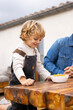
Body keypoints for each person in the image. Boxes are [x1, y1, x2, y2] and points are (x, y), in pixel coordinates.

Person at [7, 20, 51, 110]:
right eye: (36, 39)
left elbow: (39, 66)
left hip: (31, 85)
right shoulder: (20, 51)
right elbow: (17, 67)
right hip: (18, 86)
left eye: (40, 39)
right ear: (25, 36)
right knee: (18, 108)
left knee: (32, 106)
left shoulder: (35, 50)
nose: (38, 42)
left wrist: (48, 77)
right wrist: (23, 79)